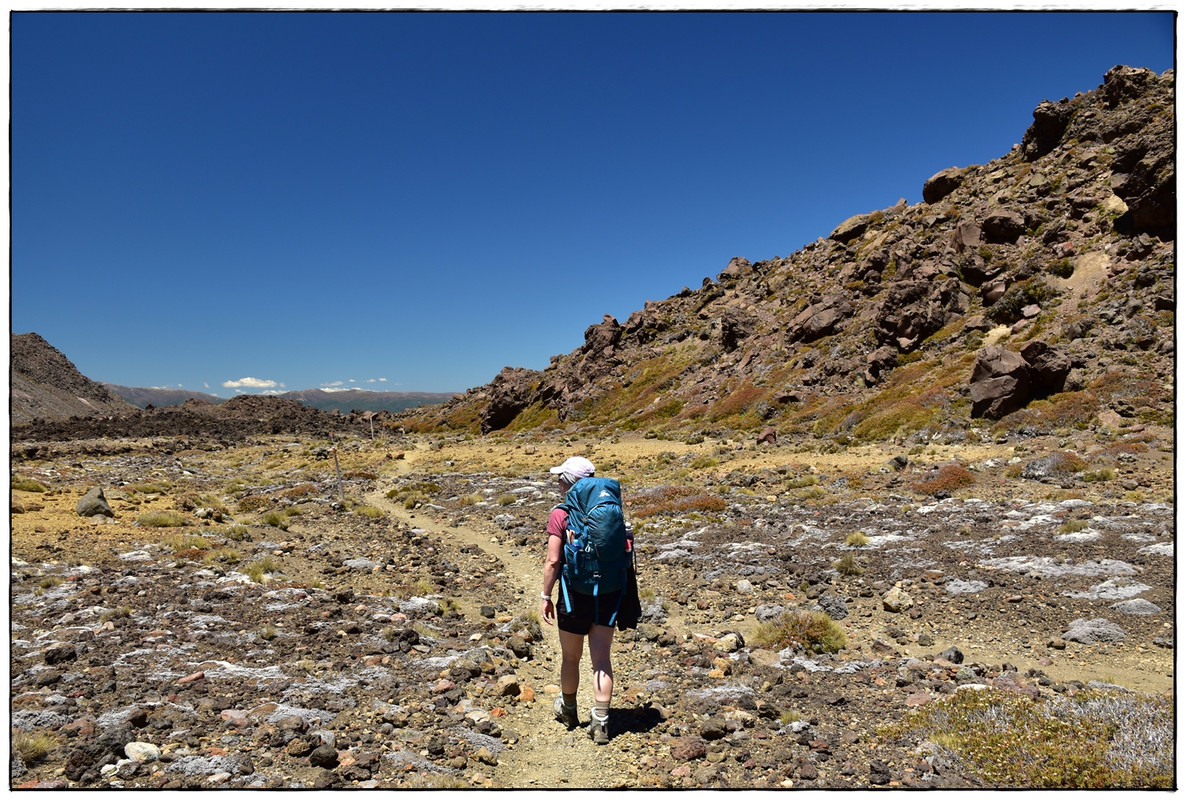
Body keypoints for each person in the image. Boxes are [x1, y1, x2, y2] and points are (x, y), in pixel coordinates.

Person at [539, 455, 620, 745]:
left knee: (571, 657)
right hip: (608, 593)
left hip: (574, 596)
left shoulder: (560, 514)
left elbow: (552, 561)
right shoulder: (609, 509)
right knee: (601, 659)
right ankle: (601, 722)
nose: (558, 483)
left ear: (569, 483)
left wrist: (546, 595)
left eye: (561, 478)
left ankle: (569, 710)